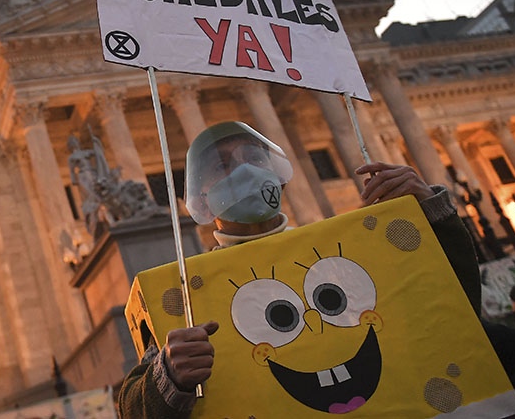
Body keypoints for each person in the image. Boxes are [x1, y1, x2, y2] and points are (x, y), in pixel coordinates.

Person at [117, 121, 482, 418]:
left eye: (255, 159)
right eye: (222, 165)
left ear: (278, 174)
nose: (244, 171)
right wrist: (167, 376)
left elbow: (451, 308)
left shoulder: (347, 257)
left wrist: (433, 213)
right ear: (200, 197)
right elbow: (130, 408)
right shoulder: (187, 299)